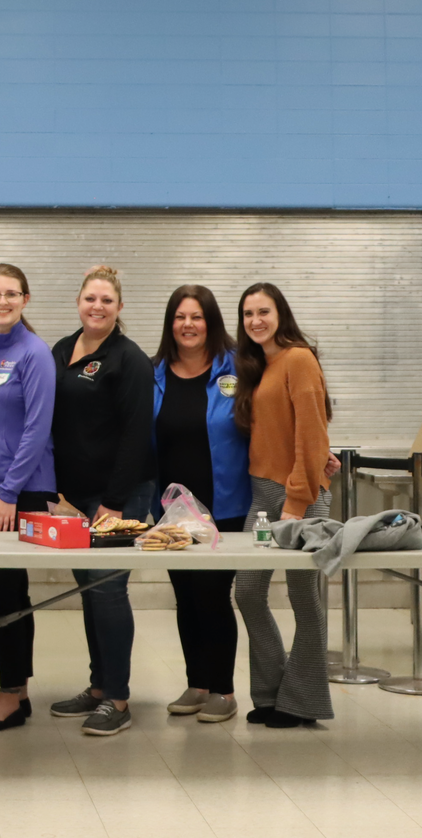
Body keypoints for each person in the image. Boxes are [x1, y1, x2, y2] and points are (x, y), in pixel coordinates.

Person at [48, 265, 154, 736]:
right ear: (78, 302)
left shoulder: (129, 359)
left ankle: (118, 698)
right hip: (76, 498)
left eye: (107, 301)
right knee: (90, 590)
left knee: (108, 589)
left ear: (119, 308)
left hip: (121, 493)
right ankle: (97, 687)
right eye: (90, 299)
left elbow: (137, 433)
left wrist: (113, 501)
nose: (97, 307)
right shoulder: (60, 350)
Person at [230, 283, 336, 728]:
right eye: (249, 313)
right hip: (262, 494)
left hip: (301, 499)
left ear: (281, 314)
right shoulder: (259, 364)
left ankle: (303, 702)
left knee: (304, 598)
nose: (256, 320)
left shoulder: (298, 358)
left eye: (264, 311)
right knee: (248, 592)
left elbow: (310, 434)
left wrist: (297, 499)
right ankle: (272, 694)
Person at [0, 264, 58, 733]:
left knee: (4, 588)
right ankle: (14, 693)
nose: (3, 301)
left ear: (25, 298)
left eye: (11, 294)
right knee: (2, 589)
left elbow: (37, 429)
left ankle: (11, 696)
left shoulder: (34, 353)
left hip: (18, 490)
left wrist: (9, 491)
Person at [150, 285, 250, 724]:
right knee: (185, 595)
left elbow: (275, 416)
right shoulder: (154, 373)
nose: (187, 325)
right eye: (179, 317)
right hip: (171, 510)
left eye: (196, 317)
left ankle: (224, 690)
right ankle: (198, 683)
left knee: (212, 595)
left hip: (224, 504)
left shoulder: (239, 368)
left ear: (211, 322)